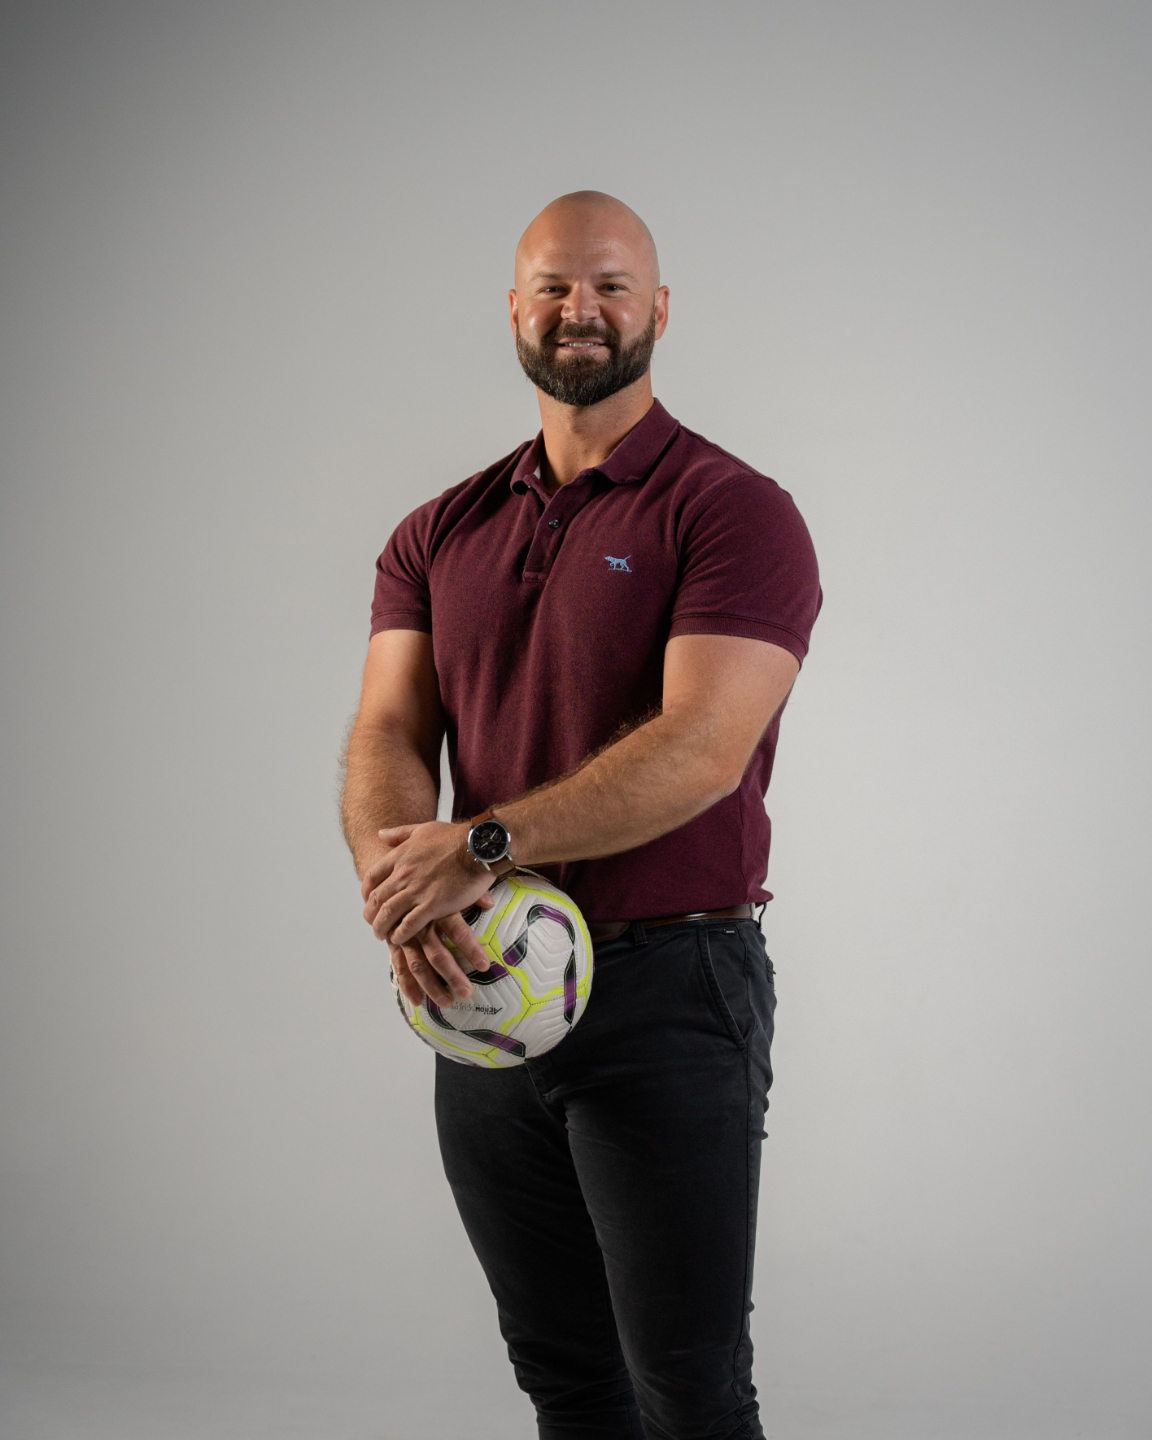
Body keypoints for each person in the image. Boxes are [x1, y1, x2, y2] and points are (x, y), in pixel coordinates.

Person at [340, 190, 821, 1440]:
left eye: (610, 285)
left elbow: (702, 748)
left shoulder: (730, 510)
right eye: (554, 285)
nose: (581, 309)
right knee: (566, 1380)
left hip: (670, 986)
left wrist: (479, 845)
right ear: (514, 308)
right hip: (482, 981)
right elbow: (389, 729)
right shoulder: (437, 530)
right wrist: (403, 887)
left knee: (689, 1392)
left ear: (659, 309)